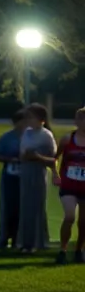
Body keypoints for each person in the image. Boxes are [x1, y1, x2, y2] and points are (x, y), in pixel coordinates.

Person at [17, 104, 56, 253]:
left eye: (31, 117)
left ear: (41, 120)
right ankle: (25, 242)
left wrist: (37, 157)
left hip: (38, 173)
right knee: (25, 207)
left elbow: (52, 159)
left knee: (37, 207)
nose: (28, 121)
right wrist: (25, 156)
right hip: (25, 172)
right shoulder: (26, 133)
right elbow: (22, 153)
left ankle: (38, 241)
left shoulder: (46, 135)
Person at [52, 107, 85, 264]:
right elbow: (54, 158)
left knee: (84, 221)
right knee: (70, 216)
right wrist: (55, 173)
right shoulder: (67, 139)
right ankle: (62, 250)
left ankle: (79, 250)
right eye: (81, 119)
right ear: (76, 121)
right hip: (68, 184)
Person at [0, 110, 26, 249]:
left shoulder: (31, 136)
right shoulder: (7, 137)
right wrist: (11, 159)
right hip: (10, 176)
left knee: (23, 207)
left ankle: (19, 238)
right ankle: (5, 237)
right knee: (9, 207)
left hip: (27, 178)